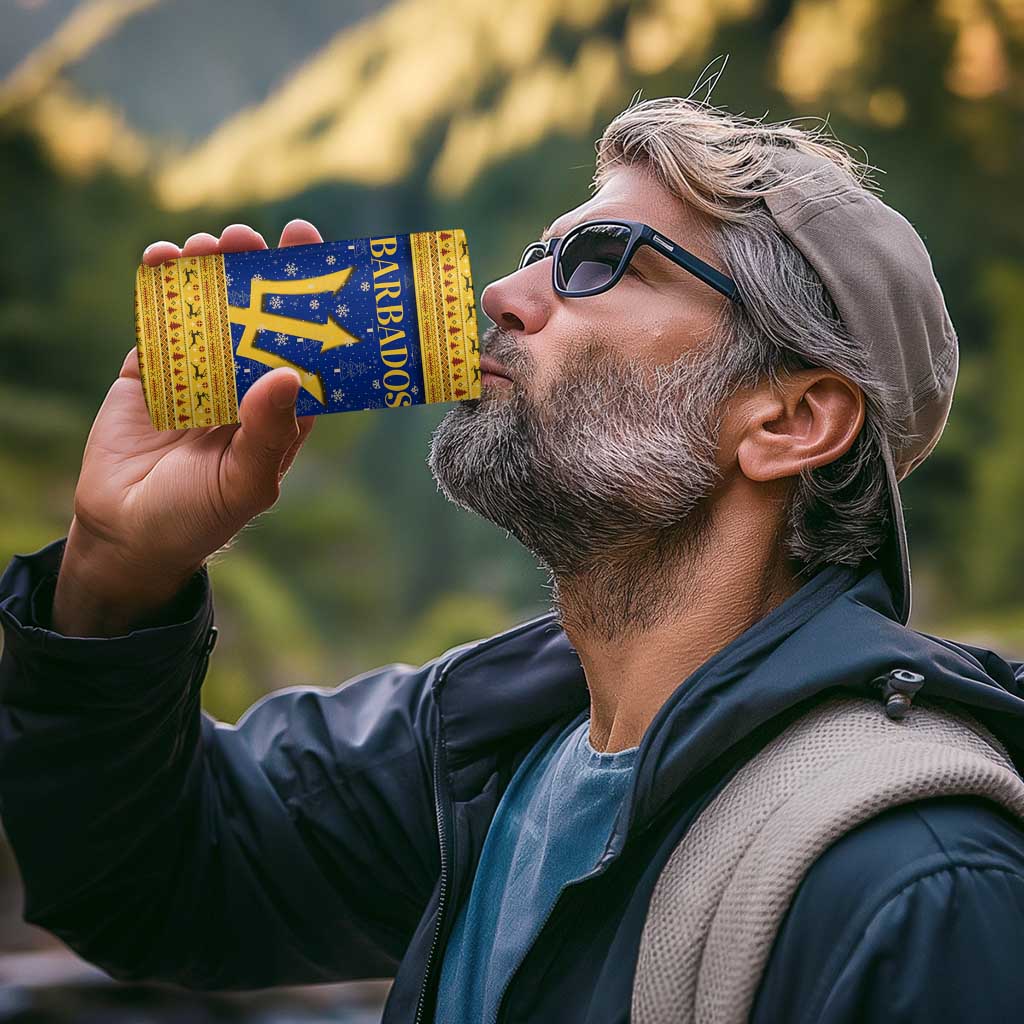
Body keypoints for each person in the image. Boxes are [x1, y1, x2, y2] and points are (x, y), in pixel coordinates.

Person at [2, 96, 1024, 1024]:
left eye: (599, 261)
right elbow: (148, 880)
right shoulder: (478, 750)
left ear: (791, 419)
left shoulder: (918, 882)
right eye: (540, 252)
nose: (501, 292)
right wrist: (116, 569)